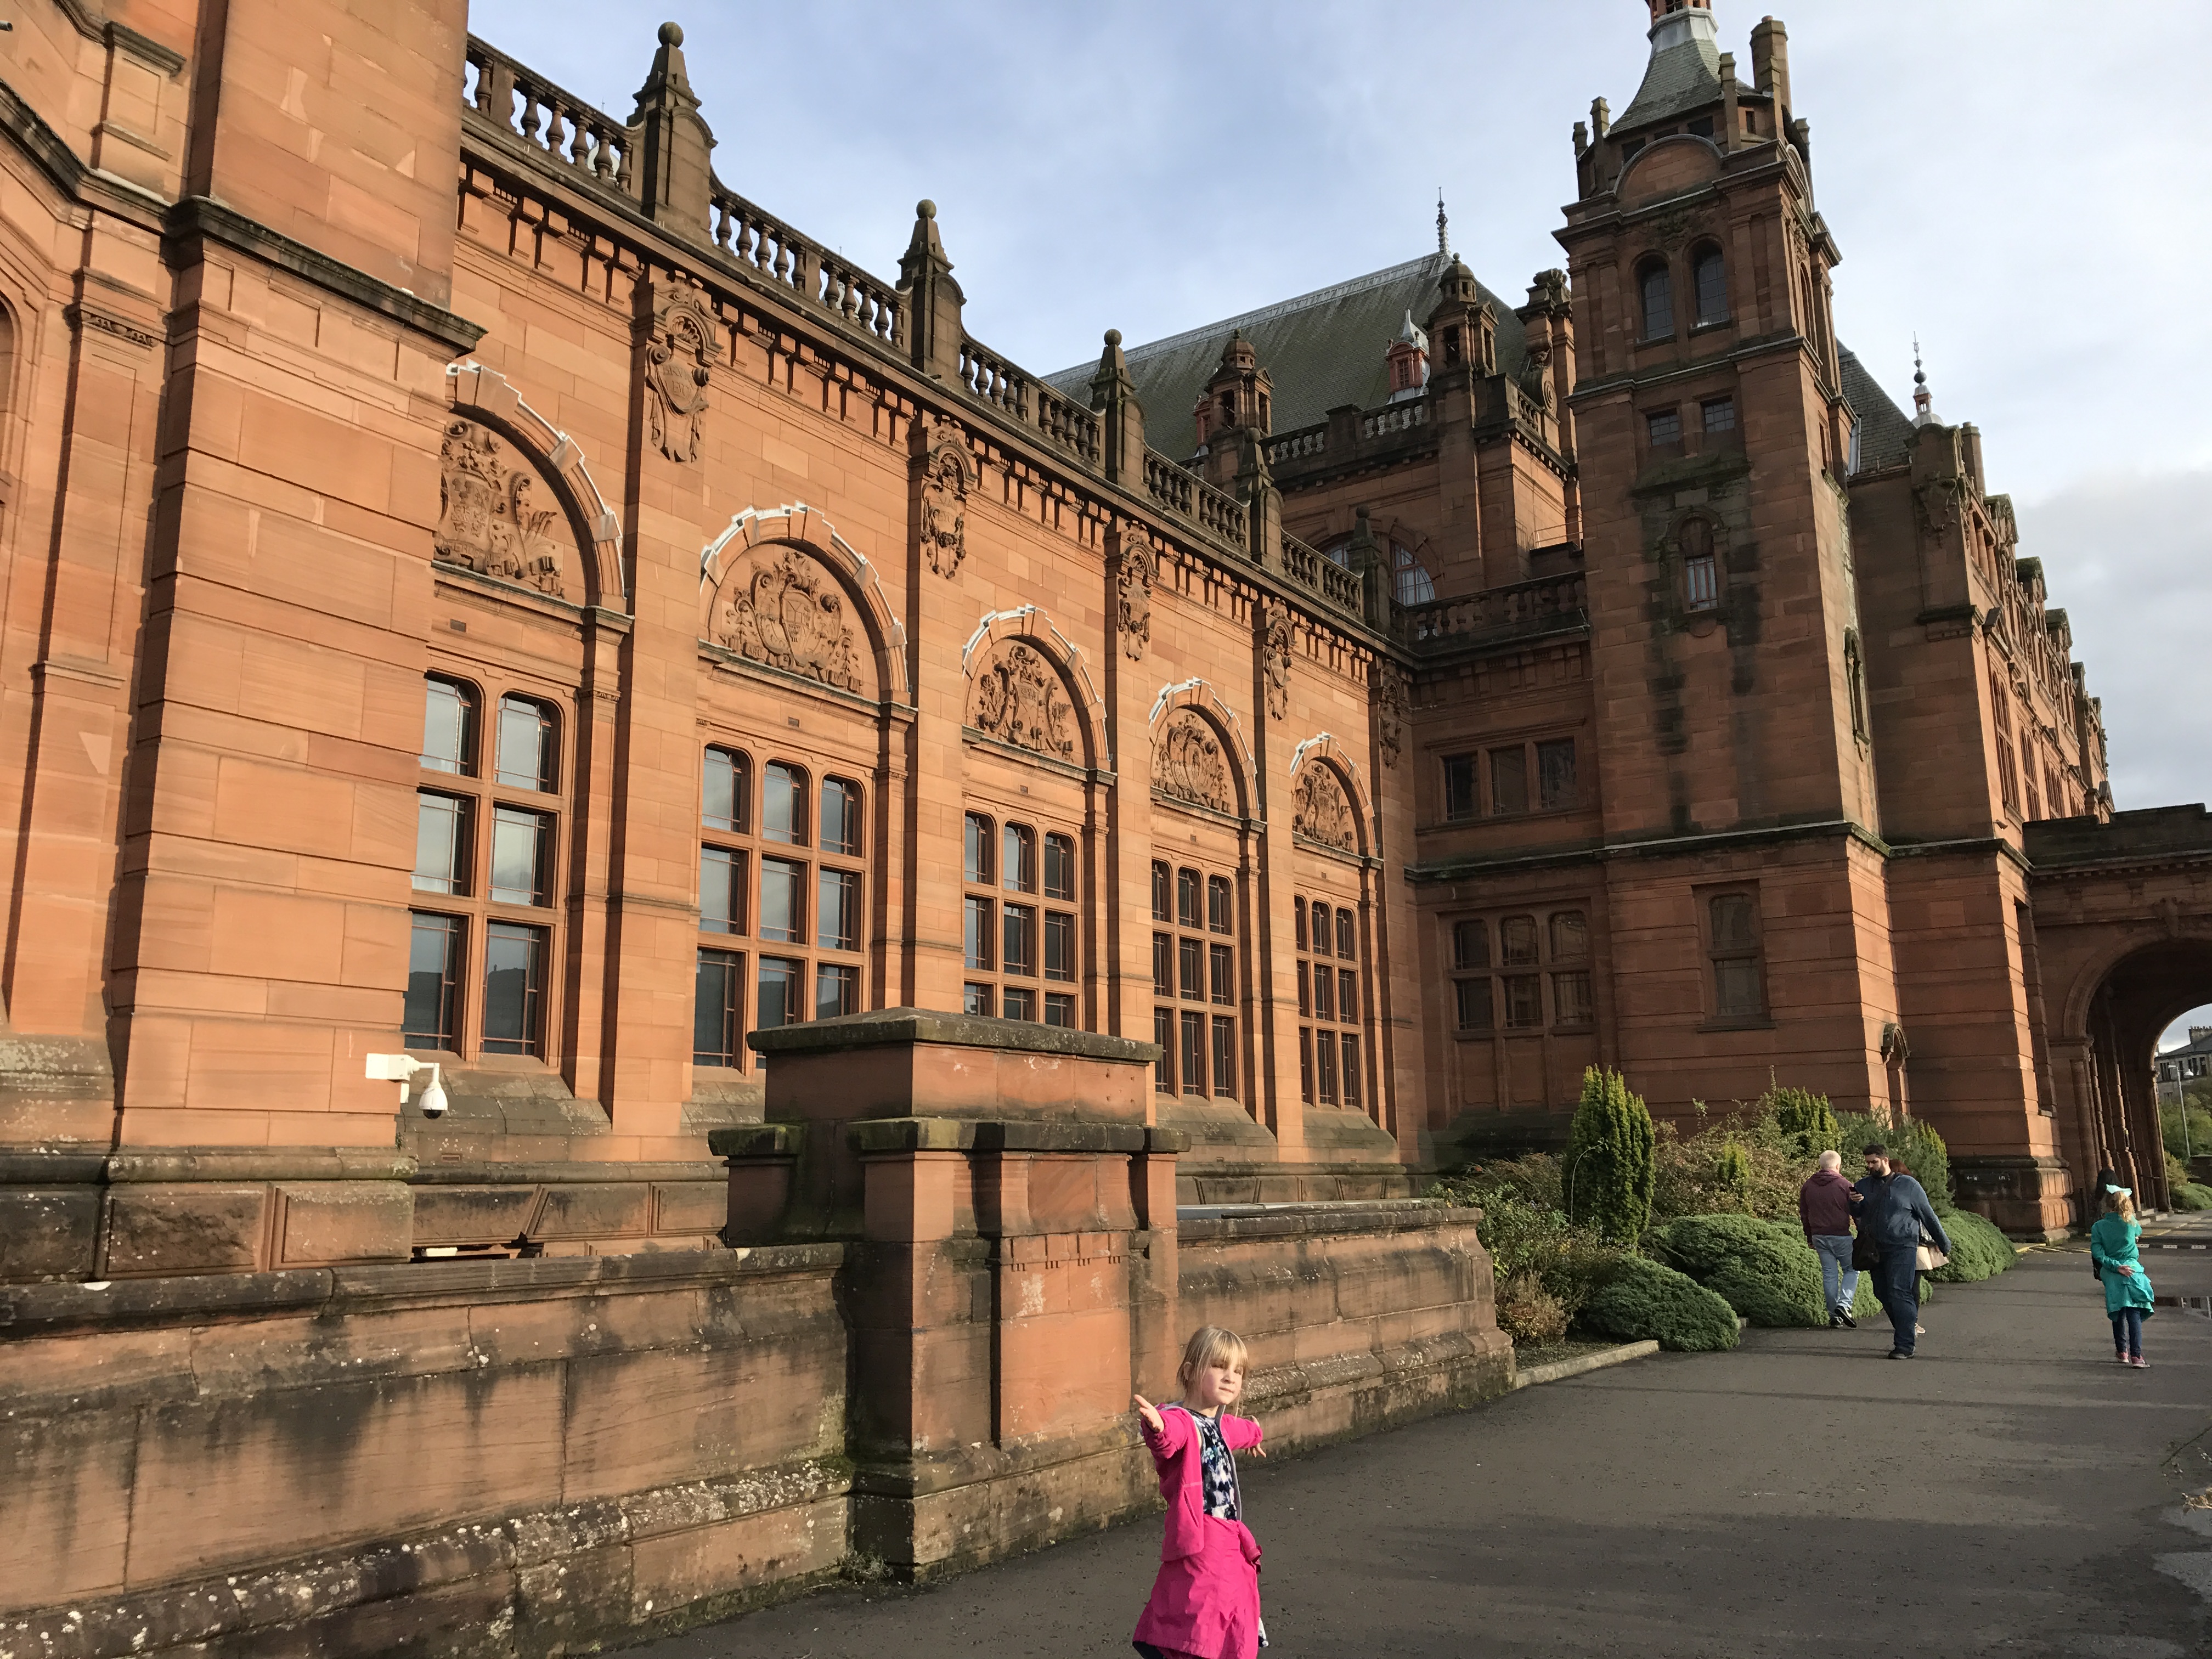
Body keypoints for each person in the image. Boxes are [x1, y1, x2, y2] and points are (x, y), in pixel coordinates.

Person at [1131, 1326, 1269, 1659]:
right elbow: (1169, 1438)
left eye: (1238, 1371)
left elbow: (1242, 1430)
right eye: (1219, 1366)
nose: (1230, 1377)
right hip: (1201, 1537)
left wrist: (1256, 1435)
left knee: (1230, 1611)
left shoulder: (1220, 1424)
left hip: (1230, 1540)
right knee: (1198, 1613)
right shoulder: (1182, 1421)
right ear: (1191, 1372)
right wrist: (1157, 1426)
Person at [1852, 1144, 1950, 1359]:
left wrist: (1943, 1242)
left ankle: (1905, 1345)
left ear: (1885, 1161)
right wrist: (1855, 1205)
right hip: (1875, 1249)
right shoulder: (1863, 1186)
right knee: (1881, 1292)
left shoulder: (1908, 1185)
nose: (1870, 1166)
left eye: (1874, 1162)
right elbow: (1859, 1215)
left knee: (1899, 1291)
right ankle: (1906, 1326)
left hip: (1902, 1247)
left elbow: (1928, 1215)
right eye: (1867, 1162)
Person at [2090, 1187, 2155, 1368]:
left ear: (2106, 1204)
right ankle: (2137, 1356)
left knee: (2117, 1311)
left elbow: (2097, 1252)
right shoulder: (2132, 1223)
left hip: (2111, 1273)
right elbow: (2138, 1233)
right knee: (2134, 1311)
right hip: (2133, 1270)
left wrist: (2115, 1266)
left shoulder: (2098, 1227)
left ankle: (2122, 1352)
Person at [1798, 1150, 1859, 1328]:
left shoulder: (1808, 1185)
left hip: (1819, 1236)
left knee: (1830, 1274)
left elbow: (1804, 1214)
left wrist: (1810, 1236)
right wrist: (1863, 1232)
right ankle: (1844, 1304)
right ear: (1838, 1165)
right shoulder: (1844, 1185)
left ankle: (1834, 1315)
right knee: (1852, 1268)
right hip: (1840, 1234)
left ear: (1821, 1165)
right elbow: (1856, 1211)